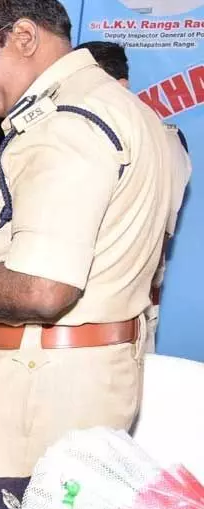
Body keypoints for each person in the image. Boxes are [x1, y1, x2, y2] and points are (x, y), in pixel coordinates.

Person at [0, 0, 183, 477]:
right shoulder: (130, 113)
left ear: (25, 38)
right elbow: (84, 256)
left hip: (44, 394)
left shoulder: (63, 125)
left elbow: (43, 288)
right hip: (89, 378)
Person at [77, 40, 192, 352]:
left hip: (123, 311)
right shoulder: (78, 136)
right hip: (75, 310)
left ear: (120, 86)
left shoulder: (160, 142)